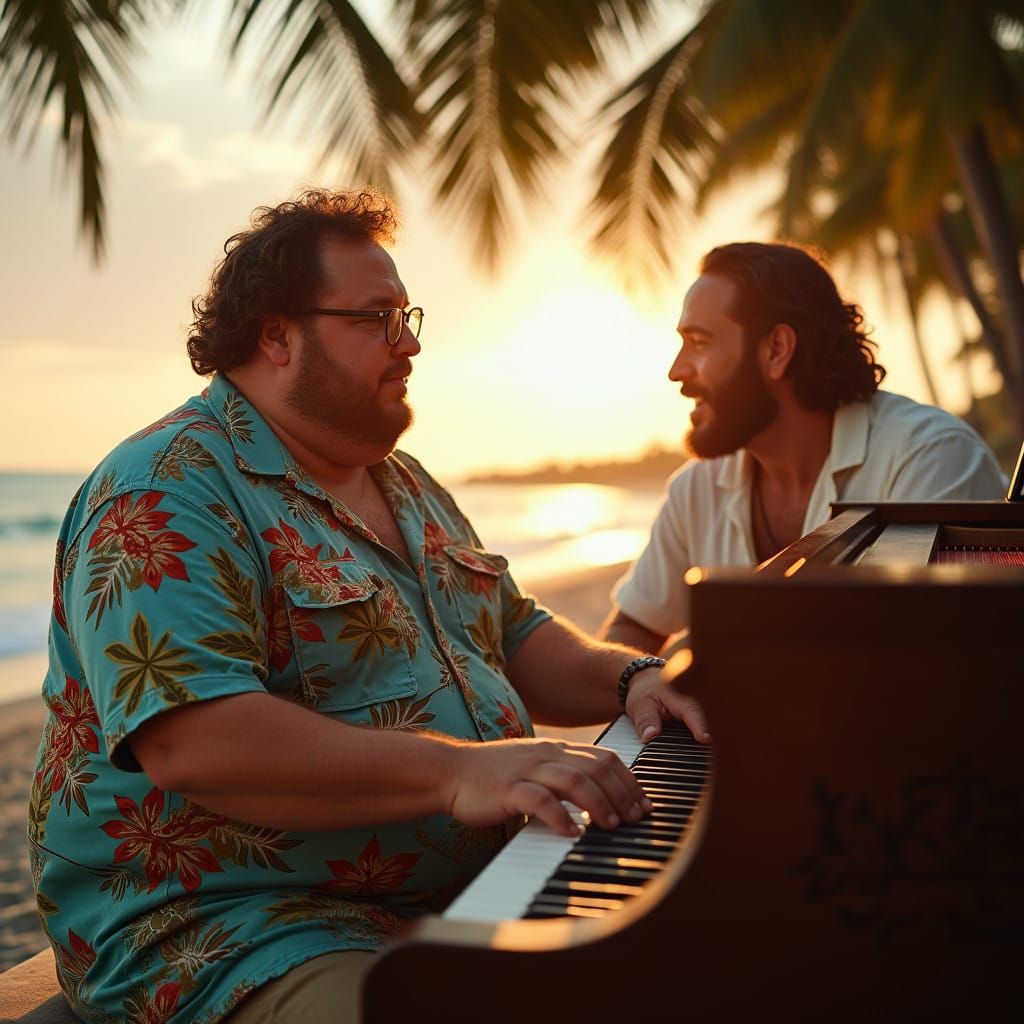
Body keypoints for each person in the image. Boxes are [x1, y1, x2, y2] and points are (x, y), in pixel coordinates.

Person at [28, 189, 706, 1024]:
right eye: (379, 318)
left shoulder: (404, 481)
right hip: (232, 928)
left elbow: (512, 630)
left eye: (408, 315)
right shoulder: (165, 488)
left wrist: (630, 677)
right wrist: (460, 771)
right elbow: (197, 742)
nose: (410, 342)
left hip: (466, 887)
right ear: (277, 334)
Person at [601, 241, 1007, 654]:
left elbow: (923, 664)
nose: (676, 371)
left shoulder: (930, 459)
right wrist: (640, 682)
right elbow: (631, 629)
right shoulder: (695, 490)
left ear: (776, 350)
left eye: (699, 342)